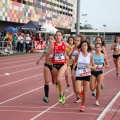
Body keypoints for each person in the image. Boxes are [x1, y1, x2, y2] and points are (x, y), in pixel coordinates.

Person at [46, 31, 73, 104]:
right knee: (54, 82)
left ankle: (61, 94)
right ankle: (59, 87)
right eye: (57, 35)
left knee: (59, 79)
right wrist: (50, 54)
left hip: (63, 64)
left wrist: (67, 55)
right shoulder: (53, 44)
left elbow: (71, 49)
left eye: (59, 35)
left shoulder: (64, 43)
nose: (58, 36)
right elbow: (50, 53)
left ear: (62, 36)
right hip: (55, 64)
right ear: (55, 36)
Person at [75, 40, 95, 112]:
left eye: (85, 45)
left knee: (85, 92)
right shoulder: (78, 54)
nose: (84, 47)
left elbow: (94, 66)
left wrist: (90, 67)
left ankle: (82, 106)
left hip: (87, 74)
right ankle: (80, 92)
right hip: (79, 74)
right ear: (81, 47)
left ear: (87, 47)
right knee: (78, 90)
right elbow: (74, 62)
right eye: (82, 45)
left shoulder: (90, 55)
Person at [36, 34, 55, 103]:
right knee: (47, 81)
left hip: (53, 65)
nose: (50, 40)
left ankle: (57, 84)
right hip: (46, 64)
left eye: (52, 38)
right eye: (49, 38)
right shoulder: (47, 46)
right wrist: (39, 59)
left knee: (54, 82)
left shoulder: (56, 47)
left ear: (54, 39)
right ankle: (46, 97)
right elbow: (45, 54)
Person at [70, 35, 82, 103]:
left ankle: (80, 92)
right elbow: (69, 56)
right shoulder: (72, 48)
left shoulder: (82, 48)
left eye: (78, 40)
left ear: (80, 41)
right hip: (73, 67)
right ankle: (77, 97)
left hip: (80, 67)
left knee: (80, 84)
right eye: (75, 40)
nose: (76, 42)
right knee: (74, 83)